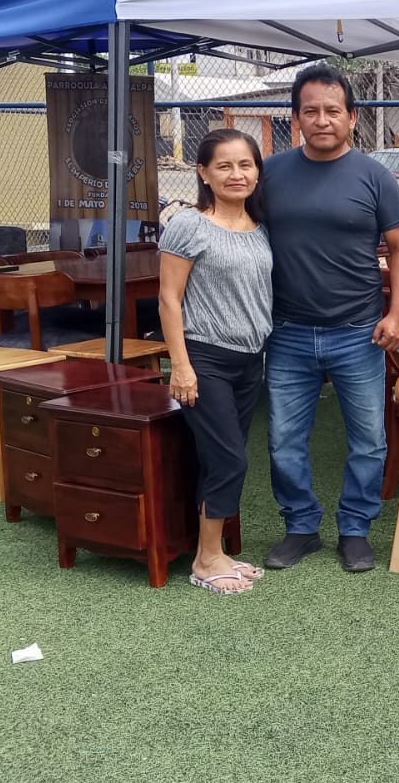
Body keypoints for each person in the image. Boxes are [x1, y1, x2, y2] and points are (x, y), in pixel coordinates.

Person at [262, 65, 399, 573]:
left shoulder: (374, 176)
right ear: (295, 118)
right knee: (283, 440)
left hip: (359, 331)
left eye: (332, 110)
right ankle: (301, 526)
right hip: (287, 331)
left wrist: (397, 314)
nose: (322, 120)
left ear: (351, 116)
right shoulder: (271, 174)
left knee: (369, 440)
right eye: (311, 111)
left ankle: (355, 529)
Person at [158, 129, 273, 594]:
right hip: (204, 358)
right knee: (230, 459)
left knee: (220, 458)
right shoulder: (189, 225)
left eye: (245, 164)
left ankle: (216, 551)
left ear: (257, 171)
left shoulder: (261, 227)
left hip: (249, 361)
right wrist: (181, 366)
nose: (236, 174)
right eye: (224, 166)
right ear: (203, 173)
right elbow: (169, 299)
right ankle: (206, 559)